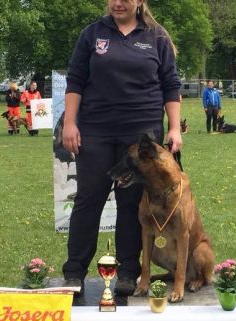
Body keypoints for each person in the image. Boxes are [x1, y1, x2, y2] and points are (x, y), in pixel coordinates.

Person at [61, 0, 182, 296]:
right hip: (96, 131)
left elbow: (170, 83)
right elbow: (76, 80)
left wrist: (175, 127)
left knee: (131, 205)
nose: (118, 3)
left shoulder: (157, 36)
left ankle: (128, 271)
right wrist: (69, 123)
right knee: (89, 199)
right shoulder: (92, 34)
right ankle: (74, 272)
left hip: (140, 136)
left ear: (139, 1)